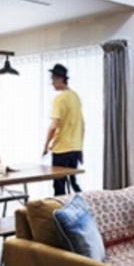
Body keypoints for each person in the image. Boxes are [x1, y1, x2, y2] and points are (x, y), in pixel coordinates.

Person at [42, 64, 84, 196]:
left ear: (60, 79)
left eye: (53, 79)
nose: (52, 83)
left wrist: (46, 145)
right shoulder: (75, 97)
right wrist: (79, 146)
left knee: (59, 186)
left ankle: (60, 209)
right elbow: (82, 125)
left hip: (62, 150)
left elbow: (53, 125)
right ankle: (81, 205)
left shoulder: (59, 99)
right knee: (73, 183)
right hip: (75, 148)